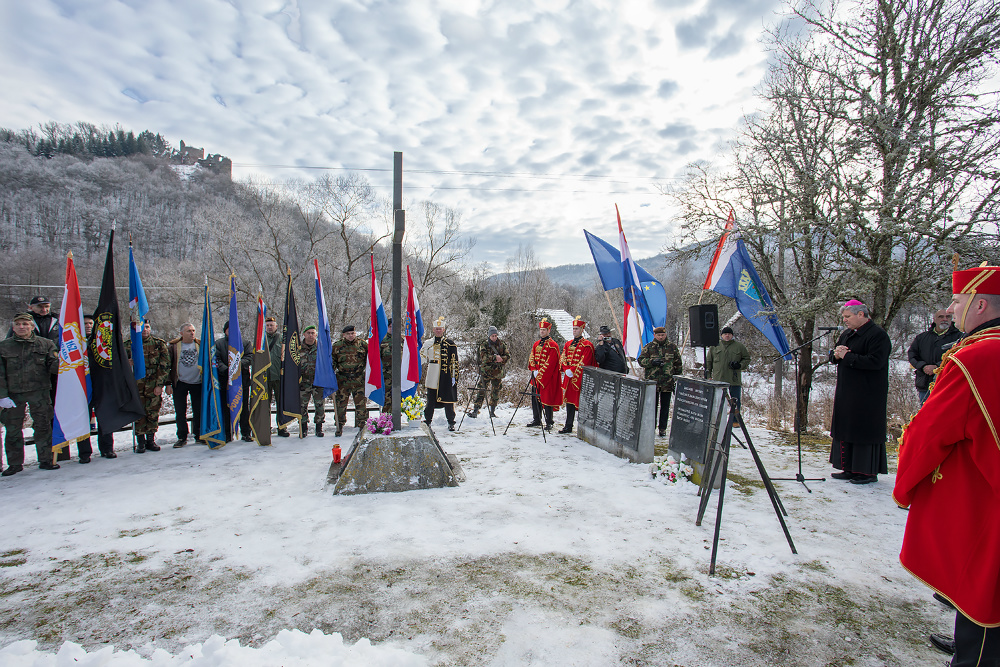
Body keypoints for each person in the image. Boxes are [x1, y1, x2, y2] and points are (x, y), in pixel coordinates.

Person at [893, 265, 1000, 666]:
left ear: (980, 304)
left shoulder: (977, 357)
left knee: (984, 595)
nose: (952, 309)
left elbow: (930, 432)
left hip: (984, 498)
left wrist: (905, 485)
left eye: (957, 300)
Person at [828, 299, 891, 485]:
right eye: (844, 317)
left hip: (868, 393)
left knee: (863, 430)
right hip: (846, 391)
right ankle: (848, 468)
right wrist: (835, 354)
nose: (845, 320)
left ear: (861, 314)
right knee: (847, 428)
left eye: (848, 316)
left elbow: (876, 362)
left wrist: (847, 356)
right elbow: (835, 356)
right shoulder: (847, 334)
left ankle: (866, 472)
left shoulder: (878, 335)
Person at [0, 312, 60, 476]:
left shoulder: (45, 344)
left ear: (32, 327)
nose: (22, 327)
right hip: (13, 395)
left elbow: (53, 367)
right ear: (13, 328)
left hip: (39, 393)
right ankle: (15, 463)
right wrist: (2, 396)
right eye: (18, 324)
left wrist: (64, 363)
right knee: (13, 429)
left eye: (25, 324)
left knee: (43, 426)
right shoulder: (4, 347)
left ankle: (46, 459)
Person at [125, 322, 171, 453]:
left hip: (153, 383)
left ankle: (150, 440)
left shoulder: (158, 344)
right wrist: (127, 363)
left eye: (147, 327)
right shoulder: (128, 345)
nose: (144, 330)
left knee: (153, 412)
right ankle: (140, 441)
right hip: (136, 385)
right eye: (141, 327)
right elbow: (118, 365)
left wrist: (159, 385)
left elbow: (165, 365)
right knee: (138, 412)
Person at [907, 308, 961, 406]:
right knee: (925, 412)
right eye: (941, 317)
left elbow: (959, 356)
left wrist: (937, 367)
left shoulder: (959, 338)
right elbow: (912, 355)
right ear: (934, 319)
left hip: (948, 385)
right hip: (924, 384)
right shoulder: (922, 338)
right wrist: (923, 366)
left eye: (948, 317)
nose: (945, 319)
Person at [637, 326, 683, 437]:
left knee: (665, 407)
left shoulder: (672, 347)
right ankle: (651, 427)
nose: (661, 337)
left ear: (665, 335)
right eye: (658, 335)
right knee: (652, 407)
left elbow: (678, 364)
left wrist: (677, 378)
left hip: (667, 382)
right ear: (655, 335)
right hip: (653, 382)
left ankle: (662, 428)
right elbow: (641, 360)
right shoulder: (649, 347)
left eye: (662, 335)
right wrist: (652, 362)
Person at [705, 326, 751, 425]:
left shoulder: (739, 346)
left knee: (735, 401)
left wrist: (740, 365)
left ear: (732, 335)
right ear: (721, 335)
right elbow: (709, 362)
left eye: (729, 334)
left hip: (734, 379)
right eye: (725, 334)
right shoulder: (715, 346)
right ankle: (717, 421)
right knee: (718, 401)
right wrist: (708, 375)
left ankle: (735, 421)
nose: (727, 336)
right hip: (719, 379)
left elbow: (747, 358)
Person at [420, 317, 460, 430]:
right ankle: (428, 420)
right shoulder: (428, 343)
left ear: (443, 330)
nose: (438, 331)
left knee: (448, 400)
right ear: (433, 330)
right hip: (432, 373)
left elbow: (454, 361)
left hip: (446, 375)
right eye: (436, 329)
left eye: (440, 329)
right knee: (430, 399)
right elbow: (421, 358)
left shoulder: (450, 344)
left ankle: (451, 422)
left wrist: (454, 376)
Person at [559, 317, 596, 434]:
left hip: (580, 378)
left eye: (577, 329)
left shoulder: (587, 345)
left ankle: (584, 428)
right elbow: (563, 358)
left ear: (582, 329)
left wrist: (573, 370)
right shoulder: (568, 343)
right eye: (573, 328)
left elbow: (585, 361)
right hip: (569, 377)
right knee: (569, 402)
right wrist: (566, 369)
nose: (574, 330)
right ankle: (568, 426)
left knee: (582, 403)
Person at [168, 323, 202, 448]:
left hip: (197, 382)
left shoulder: (200, 344)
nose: (192, 333)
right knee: (180, 411)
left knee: (198, 410)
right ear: (181, 333)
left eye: (193, 330)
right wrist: (168, 383)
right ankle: (182, 437)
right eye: (188, 331)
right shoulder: (173, 346)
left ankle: (199, 435)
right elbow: (168, 365)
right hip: (180, 382)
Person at [331, 324, 367, 437]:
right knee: (341, 404)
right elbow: (332, 362)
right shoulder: (337, 346)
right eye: (348, 334)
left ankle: (362, 425)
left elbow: (370, 359)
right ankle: (339, 425)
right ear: (344, 335)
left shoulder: (363, 344)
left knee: (361, 404)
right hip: (343, 379)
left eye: (352, 333)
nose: (351, 336)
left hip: (359, 379)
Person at [527, 317, 562, 431]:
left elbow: (551, 362)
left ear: (548, 331)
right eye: (541, 330)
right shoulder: (536, 344)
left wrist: (540, 373)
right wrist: (533, 369)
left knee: (547, 400)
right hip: (535, 375)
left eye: (544, 330)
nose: (542, 332)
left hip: (547, 377)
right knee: (535, 398)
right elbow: (532, 357)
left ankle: (549, 422)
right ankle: (537, 419)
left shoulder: (553, 345)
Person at [469, 326, 509, 419]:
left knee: (495, 391)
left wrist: (501, 359)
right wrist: (495, 358)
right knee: (481, 390)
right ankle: (475, 410)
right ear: (489, 336)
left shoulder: (502, 344)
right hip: (486, 372)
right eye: (492, 336)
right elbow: (484, 357)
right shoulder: (484, 344)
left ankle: (492, 411)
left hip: (497, 372)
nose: (494, 337)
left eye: (495, 335)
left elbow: (507, 356)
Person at [297, 325, 326, 437]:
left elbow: (327, 363)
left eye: (313, 333)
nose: (310, 335)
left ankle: (319, 428)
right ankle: (304, 427)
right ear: (304, 334)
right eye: (308, 333)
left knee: (319, 405)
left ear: (316, 335)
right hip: (303, 382)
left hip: (318, 382)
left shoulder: (321, 347)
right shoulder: (298, 348)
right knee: (302, 406)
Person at [264, 316, 287, 437]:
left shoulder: (282, 339)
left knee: (281, 403)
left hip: (279, 377)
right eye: (267, 325)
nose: (269, 327)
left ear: (276, 326)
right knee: (265, 405)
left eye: (271, 325)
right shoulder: (261, 340)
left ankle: (282, 427)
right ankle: (265, 428)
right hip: (265, 378)